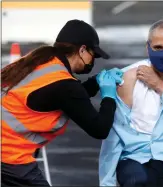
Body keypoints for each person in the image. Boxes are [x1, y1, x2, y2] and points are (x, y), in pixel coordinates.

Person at [1, 19, 124, 186]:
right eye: (93, 55)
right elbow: (99, 128)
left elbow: (66, 99)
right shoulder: (64, 85)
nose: (93, 60)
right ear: (82, 50)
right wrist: (109, 96)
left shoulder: (38, 62)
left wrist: (95, 82)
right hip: (9, 155)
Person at [99, 19, 163, 187]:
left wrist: (159, 86)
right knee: (135, 181)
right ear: (148, 47)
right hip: (135, 157)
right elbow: (114, 133)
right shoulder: (128, 77)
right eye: (157, 47)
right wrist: (106, 182)